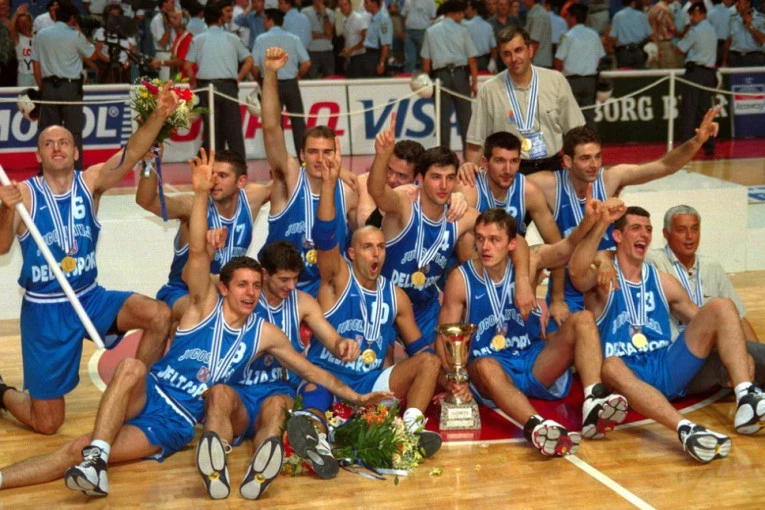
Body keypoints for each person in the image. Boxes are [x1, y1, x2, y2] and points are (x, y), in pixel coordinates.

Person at [0, 149, 389, 499]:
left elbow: (311, 370)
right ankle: (96, 460)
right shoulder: (202, 305)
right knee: (132, 367)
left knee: (74, 447)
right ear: (224, 288)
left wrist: (356, 399)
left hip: (174, 421)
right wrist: (200, 193)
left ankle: (88, 457)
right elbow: (199, 251)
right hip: (150, 391)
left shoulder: (264, 333)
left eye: (255, 286)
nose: (250, 293)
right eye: (242, 285)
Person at [0, 84, 180, 435]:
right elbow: (2, 247)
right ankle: (2, 393)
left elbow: (130, 154)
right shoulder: (22, 194)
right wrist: (5, 211)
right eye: (48, 144)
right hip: (46, 311)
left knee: (159, 314)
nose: (57, 148)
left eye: (63, 143)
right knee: (47, 423)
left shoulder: (91, 182)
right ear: (38, 155)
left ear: (75, 152)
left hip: (89, 297)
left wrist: (159, 115)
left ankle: (133, 396)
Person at [569, 205, 765, 463]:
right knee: (610, 366)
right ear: (618, 236)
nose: (644, 234)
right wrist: (602, 224)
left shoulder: (662, 280)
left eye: (648, 229)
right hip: (626, 373)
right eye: (636, 228)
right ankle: (686, 429)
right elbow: (576, 271)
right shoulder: (603, 278)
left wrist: (738, 356)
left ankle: (746, 397)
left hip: (667, 365)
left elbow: (704, 320)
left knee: (721, 306)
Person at [294, 142, 443, 463]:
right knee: (315, 390)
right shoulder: (336, 278)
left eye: (380, 247)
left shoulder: (396, 296)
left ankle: (410, 430)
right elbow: (324, 238)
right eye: (367, 247)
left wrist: (453, 378)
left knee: (429, 363)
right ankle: (315, 440)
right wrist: (329, 185)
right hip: (328, 375)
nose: (376, 253)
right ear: (351, 253)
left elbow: (420, 350)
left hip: (369, 381)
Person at [438, 207, 628, 456]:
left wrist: (589, 221)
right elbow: (444, 336)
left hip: (533, 358)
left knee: (583, 319)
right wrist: (454, 380)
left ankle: (594, 400)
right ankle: (537, 426)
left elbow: (566, 248)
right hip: (493, 366)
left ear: (512, 244)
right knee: (484, 366)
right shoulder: (461, 279)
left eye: (495, 240)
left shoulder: (530, 264)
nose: (485, 247)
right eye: (481, 238)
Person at [526, 108, 720, 334]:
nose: (594, 164)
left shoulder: (610, 179)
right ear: (568, 161)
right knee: (559, 347)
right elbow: (505, 186)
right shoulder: (548, 185)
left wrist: (697, 141)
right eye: (585, 158)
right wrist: (556, 297)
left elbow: (665, 166)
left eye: (598, 156)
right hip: (569, 289)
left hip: (609, 283)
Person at [369, 114, 535, 347]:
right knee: (381, 363)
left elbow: (517, 241)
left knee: (444, 360)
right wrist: (381, 157)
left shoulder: (461, 215)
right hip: (383, 302)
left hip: (424, 308)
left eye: (449, 178)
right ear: (420, 179)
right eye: (436, 177)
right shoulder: (404, 204)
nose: (443, 185)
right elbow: (377, 191)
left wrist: (523, 281)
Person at [260, 46, 357, 297]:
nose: (320, 159)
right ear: (302, 155)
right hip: (279, 288)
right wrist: (270, 74)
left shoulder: (347, 192)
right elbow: (271, 128)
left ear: (336, 155)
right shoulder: (289, 180)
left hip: (325, 289)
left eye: (327, 152)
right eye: (313, 152)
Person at [136, 149, 271, 324]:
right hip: (183, 292)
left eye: (222, 175)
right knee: (207, 312)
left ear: (241, 181)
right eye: (212, 174)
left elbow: (284, 179)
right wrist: (150, 163)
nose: (214, 181)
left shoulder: (252, 199)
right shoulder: (193, 206)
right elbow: (147, 201)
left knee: (267, 305)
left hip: (225, 292)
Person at [645, 205, 765, 394]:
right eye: (681, 230)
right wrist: (604, 261)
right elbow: (617, 253)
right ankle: (746, 391)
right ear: (666, 234)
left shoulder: (711, 266)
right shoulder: (651, 262)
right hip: (679, 355)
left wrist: (753, 353)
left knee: (759, 356)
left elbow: (739, 319)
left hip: (717, 346)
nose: (690, 236)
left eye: (694, 229)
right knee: (722, 312)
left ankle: (749, 388)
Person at [465, 26, 585, 175]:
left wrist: (581, 174)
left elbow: (577, 133)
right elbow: (475, 143)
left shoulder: (556, 81)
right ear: (501, 56)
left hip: (552, 168)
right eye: (507, 53)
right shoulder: (489, 90)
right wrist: (471, 178)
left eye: (518, 50)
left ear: (530, 50)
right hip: (508, 173)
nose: (514, 58)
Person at [456, 131, 562, 245]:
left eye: (513, 161)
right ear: (485, 163)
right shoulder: (470, 187)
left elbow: (556, 244)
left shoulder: (528, 191)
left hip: (514, 254)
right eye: (500, 161)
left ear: (519, 163)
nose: (507, 169)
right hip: (477, 255)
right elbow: (463, 247)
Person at [31, 0, 96, 171]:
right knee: (73, 132)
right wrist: (79, 31)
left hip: (48, 87)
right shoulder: (75, 35)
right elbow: (93, 54)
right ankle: (76, 170)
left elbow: (36, 64)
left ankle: (45, 171)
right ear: (72, 18)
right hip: (70, 88)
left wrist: (43, 88)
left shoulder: (41, 34)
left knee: (47, 133)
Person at [185, 1, 253, 157]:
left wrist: (193, 84)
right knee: (234, 131)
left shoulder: (198, 39)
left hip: (206, 88)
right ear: (220, 18)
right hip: (228, 87)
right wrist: (238, 79)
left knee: (212, 132)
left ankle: (211, 166)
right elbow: (249, 61)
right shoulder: (232, 38)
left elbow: (188, 65)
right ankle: (239, 166)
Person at [420, 0, 479, 155]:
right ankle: (469, 157)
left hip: (440, 77)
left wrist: (426, 81)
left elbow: (426, 62)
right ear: (456, 13)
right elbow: (472, 59)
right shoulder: (463, 30)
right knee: (466, 119)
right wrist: (474, 82)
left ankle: (444, 157)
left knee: (442, 120)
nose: (462, 16)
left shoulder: (431, 31)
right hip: (460, 75)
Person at [253, 9, 311, 152]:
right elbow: (307, 63)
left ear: (270, 20)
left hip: (271, 85)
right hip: (291, 84)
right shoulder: (294, 38)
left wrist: (261, 80)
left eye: (265, 19)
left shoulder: (261, 39)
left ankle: (279, 161)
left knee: (275, 126)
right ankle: (304, 159)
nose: (263, 22)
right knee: (298, 123)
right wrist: (297, 76)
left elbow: (254, 65)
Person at [555, 3, 605, 132]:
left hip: (572, 81)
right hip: (590, 81)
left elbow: (559, 61)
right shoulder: (594, 35)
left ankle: (573, 142)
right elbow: (599, 58)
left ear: (572, 18)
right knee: (589, 116)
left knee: (571, 117)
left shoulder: (568, 36)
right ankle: (593, 141)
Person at [675, 2, 717, 157]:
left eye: (694, 15)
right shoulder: (712, 29)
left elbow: (679, 49)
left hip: (695, 73)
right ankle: (709, 146)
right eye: (691, 15)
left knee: (689, 109)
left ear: (702, 14)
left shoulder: (695, 31)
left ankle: (684, 148)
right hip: (709, 74)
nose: (692, 18)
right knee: (705, 111)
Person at [357, 139, 423, 228]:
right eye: (389, 169)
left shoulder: (423, 191)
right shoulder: (365, 181)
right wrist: (392, 199)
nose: (392, 179)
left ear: (418, 178)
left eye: (401, 175)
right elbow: (367, 228)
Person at [93, 4, 136, 84]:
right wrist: (108, 61)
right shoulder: (101, 32)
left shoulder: (127, 31)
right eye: (112, 15)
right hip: (106, 67)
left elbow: (132, 50)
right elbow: (97, 51)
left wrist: (127, 63)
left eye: (117, 15)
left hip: (124, 67)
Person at [607, 0, 652, 68]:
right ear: (633, 3)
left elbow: (613, 37)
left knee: (624, 73)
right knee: (640, 73)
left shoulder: (617, 16)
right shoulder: (641, 16)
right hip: (639, 51)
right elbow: (650, 35)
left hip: (623, 53)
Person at [723, 0, 765, 67]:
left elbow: (762, 40)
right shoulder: (732, 19)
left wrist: (750, 26)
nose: (736, 5)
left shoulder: (761, 19)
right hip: (735, 57)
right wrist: (724, 62)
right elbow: (728, 42)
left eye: (739, 2)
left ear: (747, 4)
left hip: (755, 58)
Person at [302, 0, 335, 78]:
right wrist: (324, 35)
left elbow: (328, 32)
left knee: (331, 79)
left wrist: (325, 15)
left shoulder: (330, 12)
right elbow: (307, 34)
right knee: (311, 79)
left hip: (327, 50)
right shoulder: (305, 12)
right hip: (312, 51)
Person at [464, 0, 498, 73]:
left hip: (469, 61)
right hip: (485, 61)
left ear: (474, 10)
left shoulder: (465, 26)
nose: (466, 11)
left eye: (468, 8)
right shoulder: (488, 26)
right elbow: (494, 48)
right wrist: (492, 62)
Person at [401, 0, 435, 73]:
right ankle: (408, 76)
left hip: (423, 32)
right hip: (409, 33)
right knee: (409, 59)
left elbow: (433, 17)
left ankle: (425, 77)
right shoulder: (408, 1)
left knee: (424, 58)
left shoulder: (430, 1)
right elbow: (404, 16)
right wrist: (403, 31)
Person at [361, 0, 392, 77]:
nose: (364, 5)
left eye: (366, 2)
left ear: (374, 4)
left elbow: (385, 43)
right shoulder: (373, 18)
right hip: (369, 55)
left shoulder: (383, 19)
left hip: (376, 56)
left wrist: (381, 63)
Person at [338, 0, 368, 78]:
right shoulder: (344, 20)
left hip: (359, 58)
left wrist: (351, 49)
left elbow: (366, 39)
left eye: (345, 4)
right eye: (341, 6)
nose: (343, 7)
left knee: (358, 84)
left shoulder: (359, 18)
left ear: (351, 5)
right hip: (349, 58)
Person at [647, 0, 680, 69]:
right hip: (665, 45)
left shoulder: (652, 9)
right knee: (669, 70)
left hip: (654, 45)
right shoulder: (665, 10)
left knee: (657, 71)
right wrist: (682, 34)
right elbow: (672, 28)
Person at [151, 0, 177, 80]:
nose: (174, 4)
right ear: (164, 4)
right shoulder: (157, 20)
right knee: (166, 83)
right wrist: (168, 26)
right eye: (172, 2)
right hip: (164, 54)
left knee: (178, 83)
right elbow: (163, 43)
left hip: (175, 55)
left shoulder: (174, 18)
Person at [10, 3, 34, 87]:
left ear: (30, 22)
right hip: (24, 74)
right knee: (23, 95)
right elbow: (11, 29)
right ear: (17, 24)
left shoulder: (38, 36)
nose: (24, 24)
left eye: (26, 21)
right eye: (21, 22)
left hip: (37, 72)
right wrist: (16, 13)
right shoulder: (18, 38)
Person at [524, 0, 553, 68]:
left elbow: (535, 41)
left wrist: (527, 61)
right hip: (538, 62)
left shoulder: (538, 15)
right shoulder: (534, 13)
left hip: (538, 63)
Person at [706, 0, 731, 66]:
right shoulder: (730, 13)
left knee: (713, 67)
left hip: (713, 45)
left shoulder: (710, 13)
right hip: (728, 45)